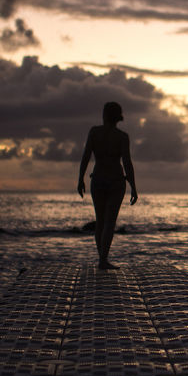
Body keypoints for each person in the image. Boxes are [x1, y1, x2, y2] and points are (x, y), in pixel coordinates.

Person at [77, 102, 137, 269]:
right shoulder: (122, 137)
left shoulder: (95, 132)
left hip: (99, 179)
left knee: (101, 221)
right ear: (118, 117)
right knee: (109, 222)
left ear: (104, 115)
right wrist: (133, 186)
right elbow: (127, 163)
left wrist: (80, 178)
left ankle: (102, 259)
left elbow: (86, 156)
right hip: (116, 181)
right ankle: (103, 260)